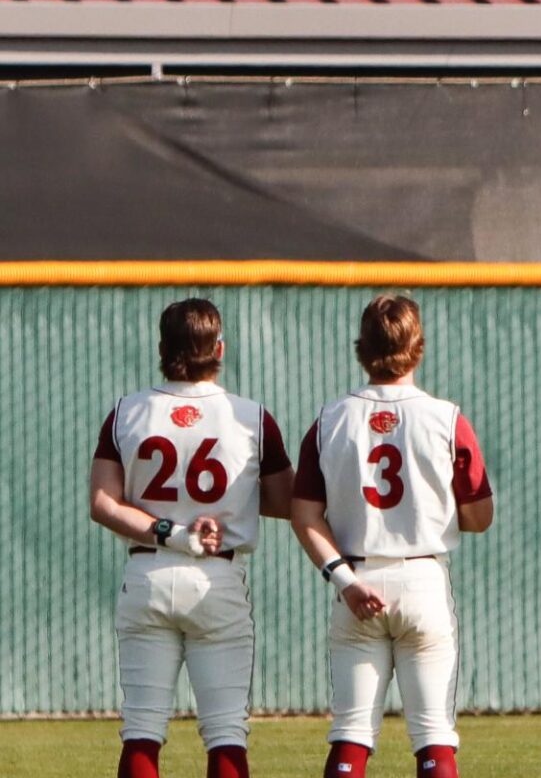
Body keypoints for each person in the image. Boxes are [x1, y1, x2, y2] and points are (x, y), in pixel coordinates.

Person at [290, 294, 494, 778]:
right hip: (422, 577)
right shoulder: (446, 418)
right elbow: (480, 516)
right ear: (417, 347)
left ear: (362, 348)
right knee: (434, 739)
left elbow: (304, 516)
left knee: (351, 736)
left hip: (356, 578)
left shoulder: (330, 419)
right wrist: (433, 510)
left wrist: (345, 581)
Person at [90, 298, 292, 778]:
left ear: (162, 348)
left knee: (141, 728)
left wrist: (172, 531)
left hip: (148, 571)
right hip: (217, 577)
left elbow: (103, 503)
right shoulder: (250, 416)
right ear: (219, 348)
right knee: (225, 733)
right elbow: (285, 501)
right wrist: (231, 504)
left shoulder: (127, 412)